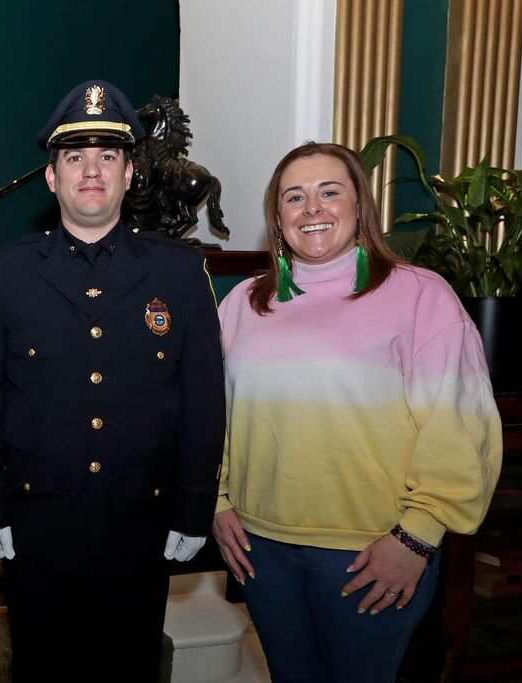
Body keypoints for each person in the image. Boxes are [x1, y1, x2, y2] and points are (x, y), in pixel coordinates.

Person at [0, 80, 226, 679]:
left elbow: (204, 404)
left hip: (142, 524)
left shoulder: (181, 274)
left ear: (130, 174)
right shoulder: (4, 274)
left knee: (130, 667)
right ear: (51, 177)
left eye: (108, 156)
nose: (91, 171)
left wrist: (193, 508)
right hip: (37, 526)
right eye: (74, 157)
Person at [212, 141, 503, 682]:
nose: (312, 208)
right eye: (294, 197)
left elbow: (461, 428)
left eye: (330, 192)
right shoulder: (242, 304)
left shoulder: (421, 297)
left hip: (373, 553)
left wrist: (417, 536)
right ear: (277, 218)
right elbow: (208, 417)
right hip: (261, 551)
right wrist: (216, 499)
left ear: (360, 206)